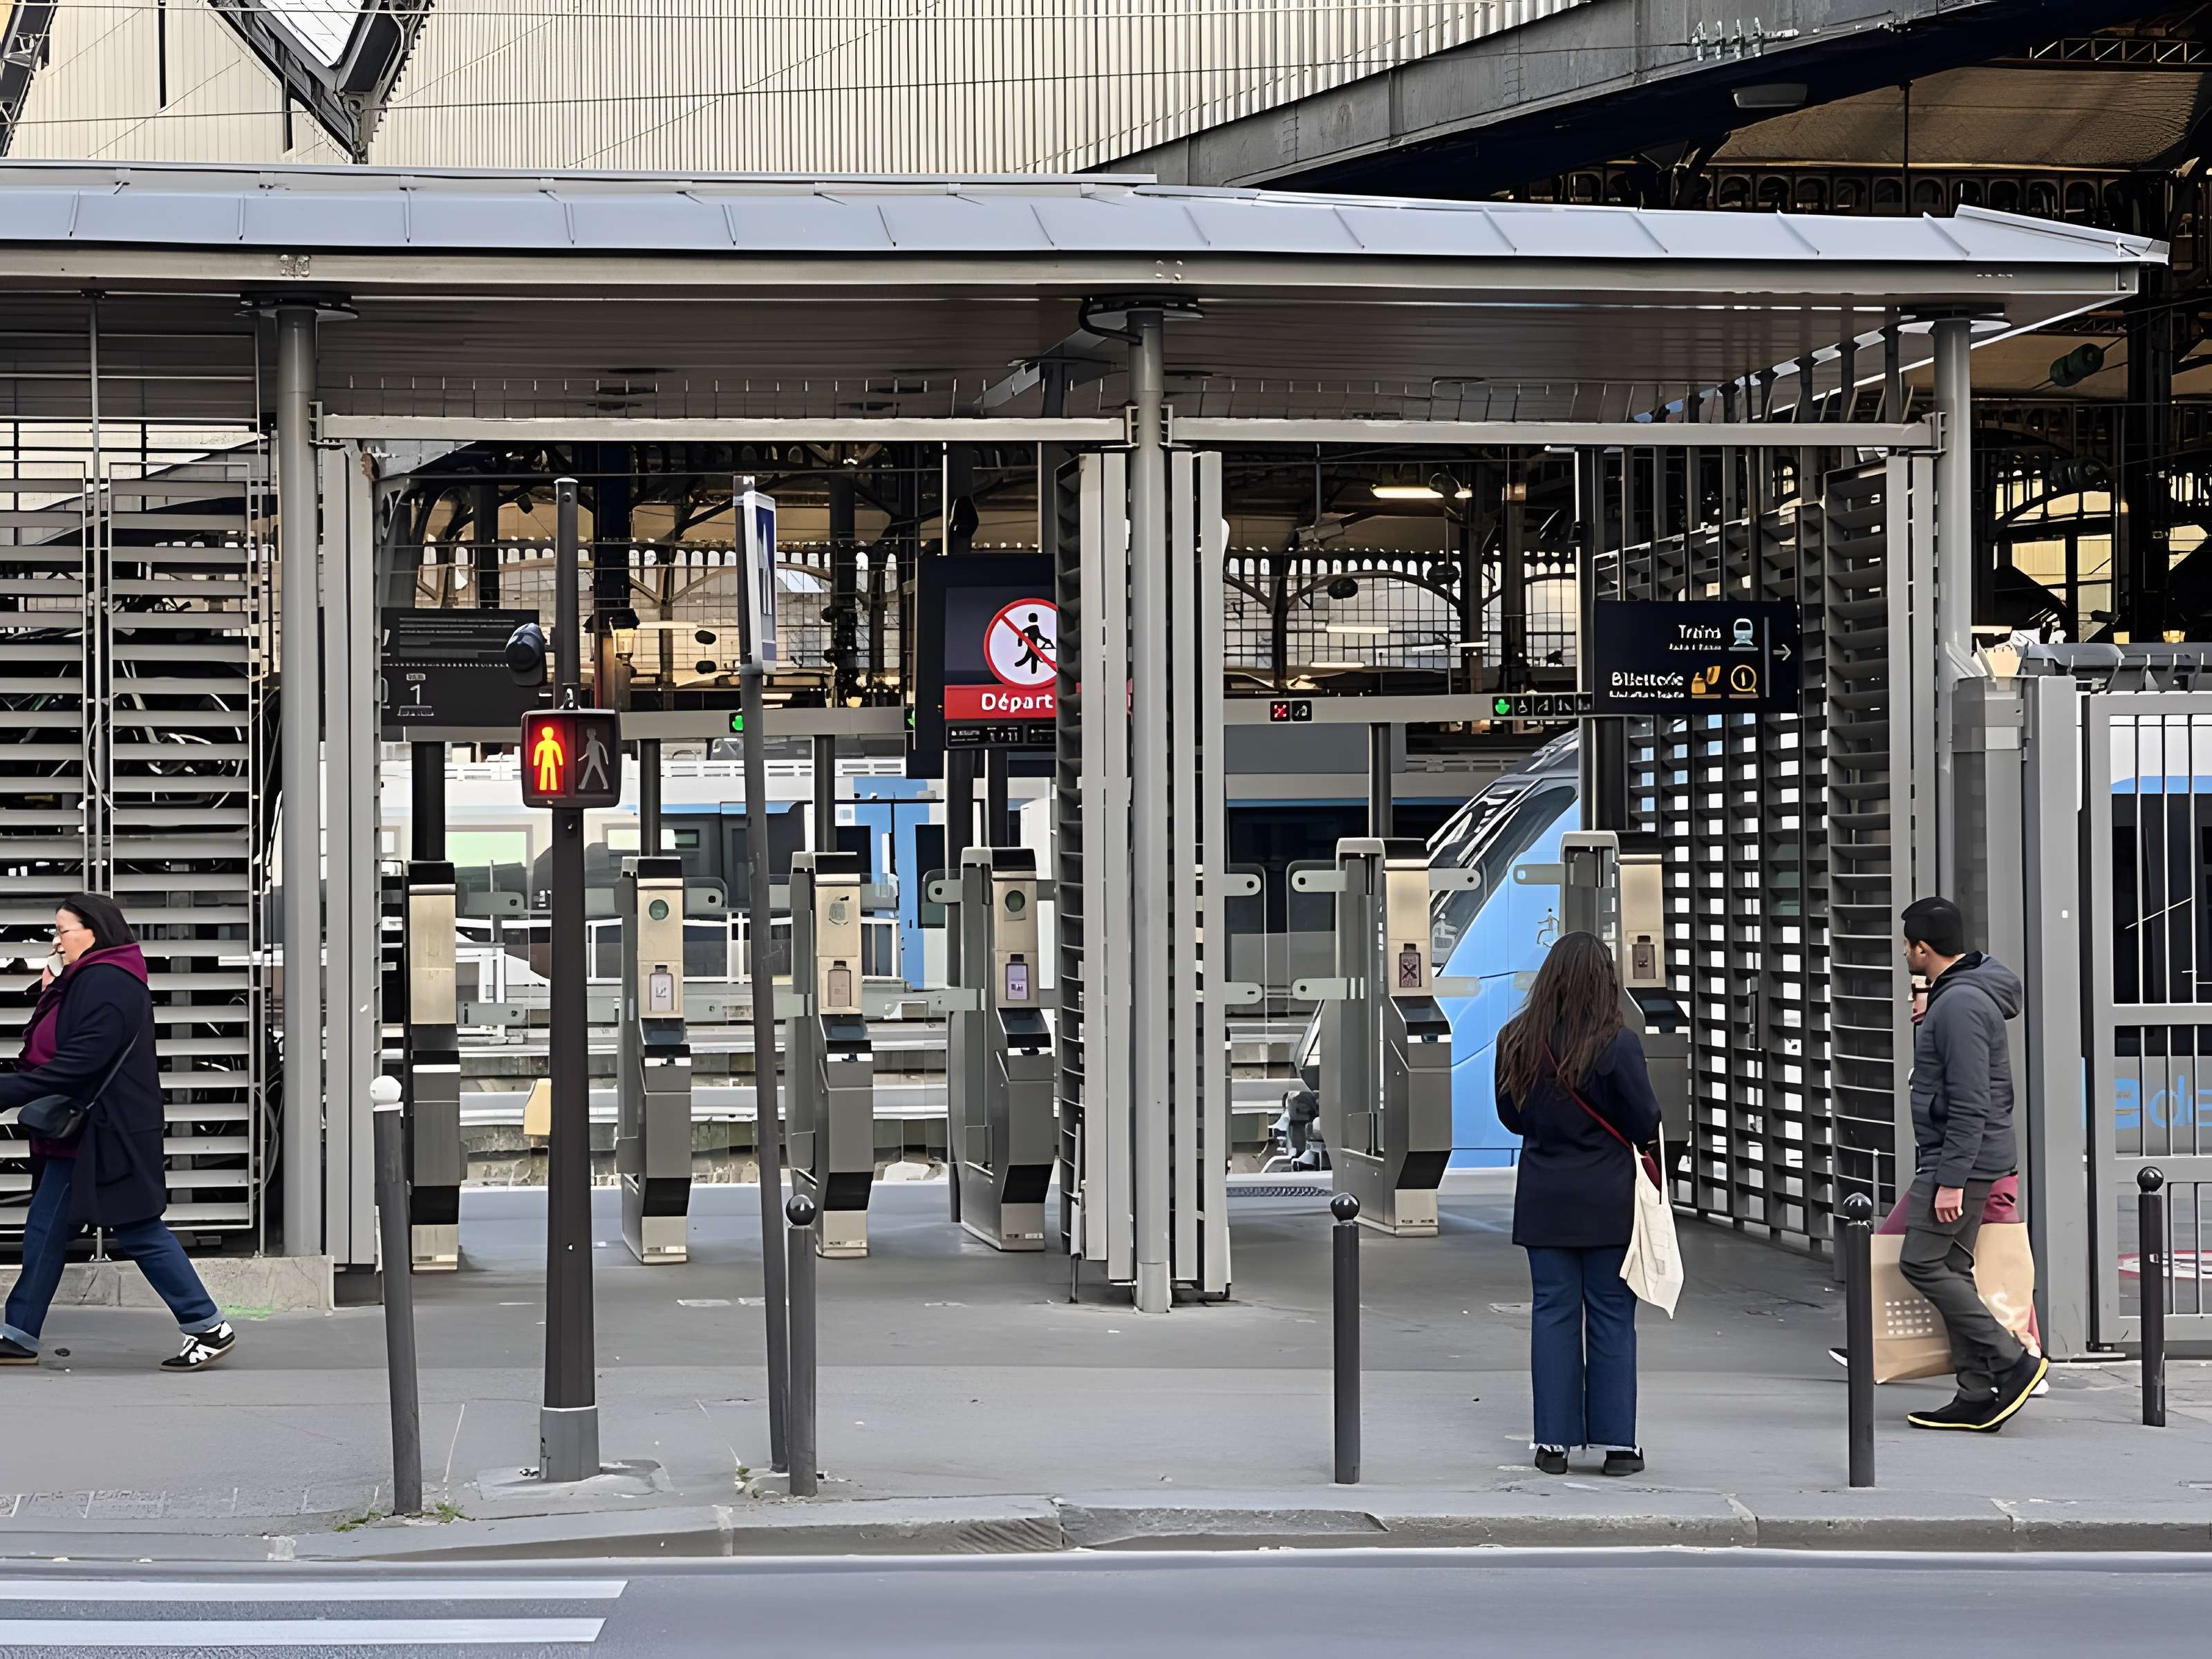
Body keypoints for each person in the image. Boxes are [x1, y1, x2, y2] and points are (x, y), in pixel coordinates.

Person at [0, 894, 236, 1369]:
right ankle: (19, 1333)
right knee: (47, 1229)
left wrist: (9, 1090)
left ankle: (208, 1325)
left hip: (106, 1132)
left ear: (93, 931)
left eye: (62, 930)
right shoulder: (87, 980)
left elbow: (81, 1060)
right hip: (85, 1132)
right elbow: (46, 1047)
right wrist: (52, 992)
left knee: (137, 1225)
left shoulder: (108, 982)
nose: (56, 940)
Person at [1495, 930, 1663, 1477]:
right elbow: (1644, 1121)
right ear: (1604, 981)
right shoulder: (1619, 1044)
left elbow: (1512, 1117)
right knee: (1613, 1317)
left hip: (1544, 1198)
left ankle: (1553, 1444)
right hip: (1609, 1201)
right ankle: (1618, 1445)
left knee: (1552, 1315)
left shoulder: (1515, 1038)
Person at [1895, 896, 2044, 1431]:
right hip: (1968, 1157)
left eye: (1906, 946)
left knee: (1922, 1262)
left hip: (1963, 1160)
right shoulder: (1960, 995)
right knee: (1952, 1267)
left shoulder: (1959, 1007)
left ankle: (2012, 1360)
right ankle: (1976, 1392)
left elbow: (1970, 1100)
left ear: (1922, 947)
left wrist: (1951, 1179)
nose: (1904, 955)